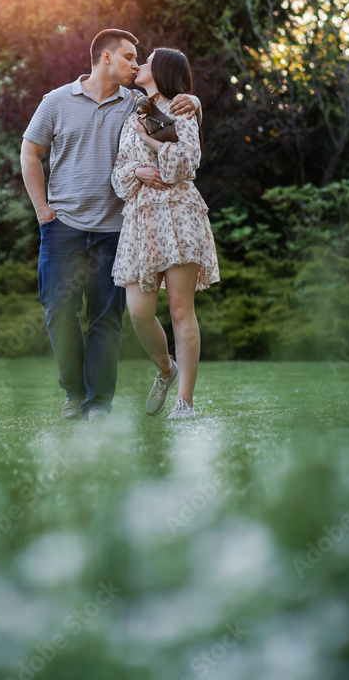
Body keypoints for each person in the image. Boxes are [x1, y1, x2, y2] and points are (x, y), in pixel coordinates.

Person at [20, 30, 201, 423]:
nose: (136, 65)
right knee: (57, 308)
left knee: (106, 318)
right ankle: (74, 391)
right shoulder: (56, 101)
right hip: (62, 224)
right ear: (105, 57)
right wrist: (42, 211)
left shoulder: (136, 104)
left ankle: (98, 404)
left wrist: (196, 100)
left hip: (116, 230)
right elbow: (30, 152)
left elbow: (176, 121)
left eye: (140, 60)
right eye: (130, 58)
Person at [111, 48, 220, 420]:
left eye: (148, 58)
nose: (139, 63)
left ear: (163, 69)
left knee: (179, 308)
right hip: (141, 217)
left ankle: (185, 403)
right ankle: (165, 369)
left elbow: (188, 162)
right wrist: (137, 173)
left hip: (179, 213)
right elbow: (120, 172)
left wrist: (155, 144)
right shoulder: (132, 117)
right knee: (138, 312)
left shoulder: (181, 108)